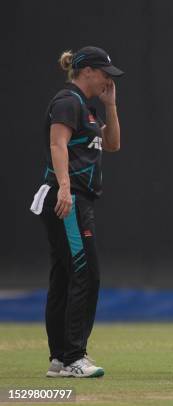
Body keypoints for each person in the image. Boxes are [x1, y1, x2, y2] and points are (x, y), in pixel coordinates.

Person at [30, 46, 123, 378]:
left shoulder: (88, 108)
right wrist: (66, 188)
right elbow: (57, 144)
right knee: (85, 274)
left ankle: (60, 357)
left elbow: (112, 144)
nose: (108, 81)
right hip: (68, 198)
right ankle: (73, 357)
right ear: (87, 72)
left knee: (66, 275)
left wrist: (110, 106)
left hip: (74, 198)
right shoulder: (69, 102)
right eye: (104, 74)